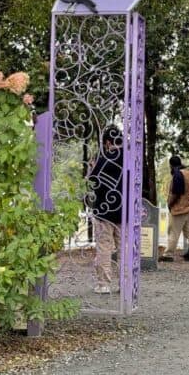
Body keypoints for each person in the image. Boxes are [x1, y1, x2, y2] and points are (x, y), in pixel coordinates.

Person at [86, 126, 123, 294]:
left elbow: (92, 182)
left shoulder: (102, 159)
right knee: (125, 247)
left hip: (104, 211)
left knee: (104, 247)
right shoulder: (130, 160)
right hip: (124, 211)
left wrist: (91, 168)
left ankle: (104, 284)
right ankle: (125, 283)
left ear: (107, 142)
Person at [160, 155, 189, 262]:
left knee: (173, 231)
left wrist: (170, 203)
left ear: (171, 165)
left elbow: (176, 193)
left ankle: (168, 254)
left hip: (180, 207)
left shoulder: (178, 174)